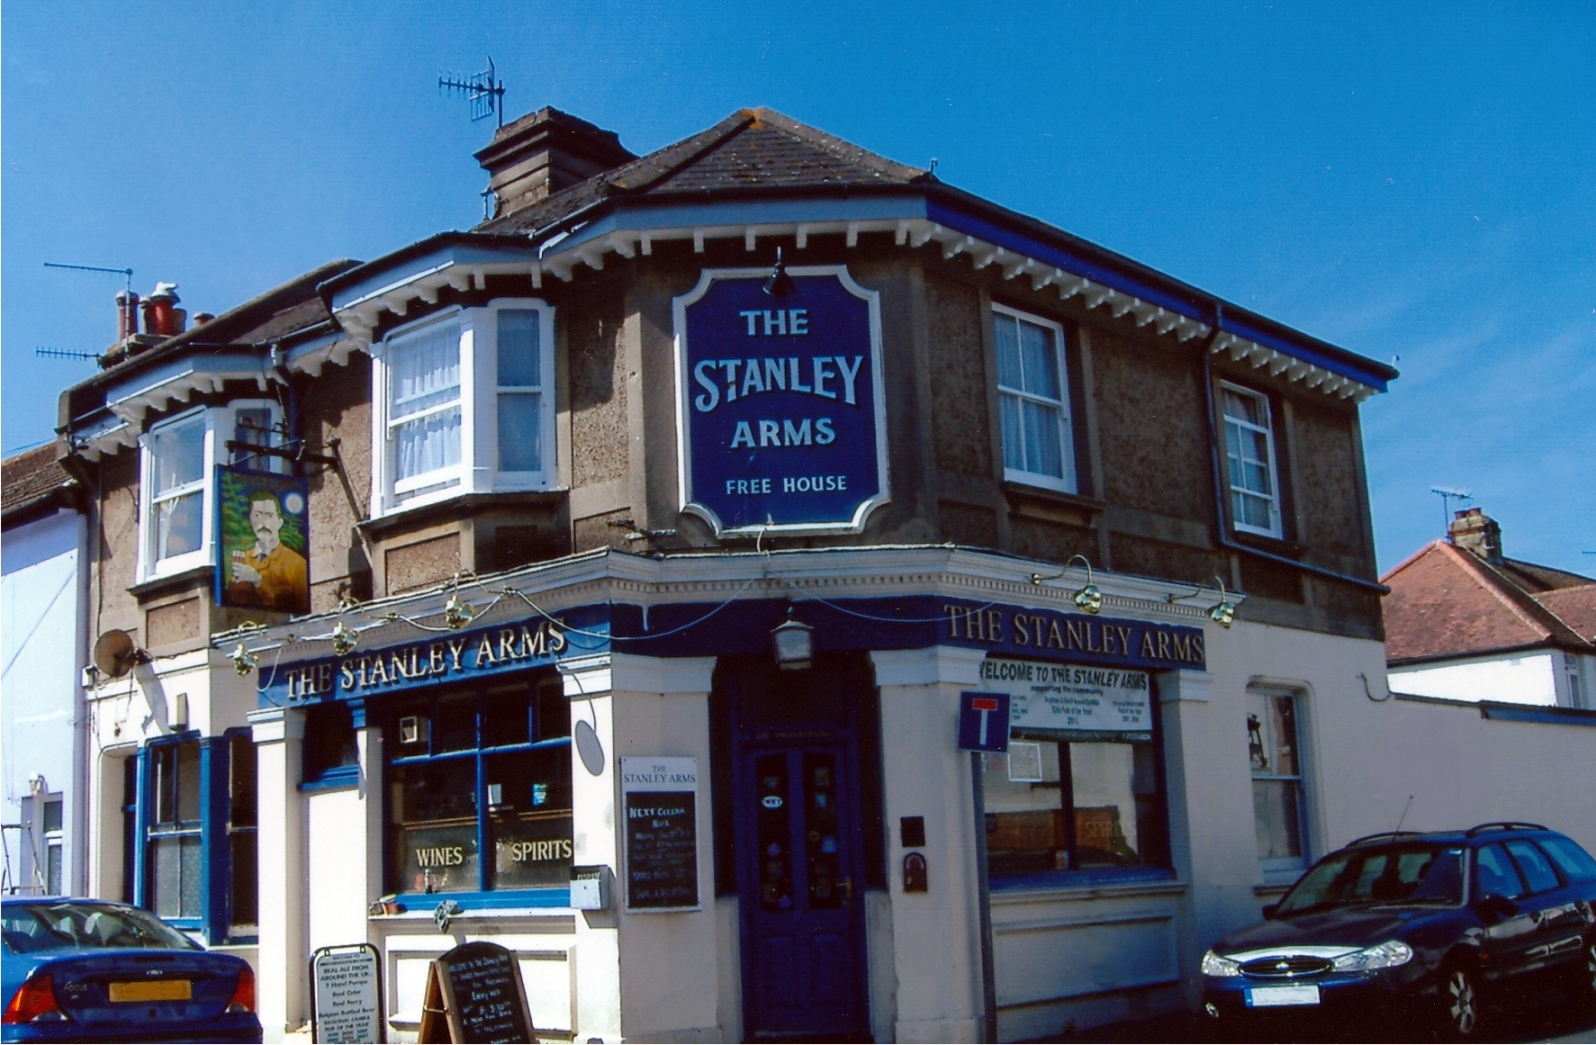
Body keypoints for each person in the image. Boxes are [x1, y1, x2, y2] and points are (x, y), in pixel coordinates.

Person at [229, 489, 308, 611]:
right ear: (250, 520)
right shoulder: (243, 559)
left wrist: (258, 580)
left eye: (269, 515)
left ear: (280, 522)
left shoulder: (297, 564)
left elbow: (303, 608)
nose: (263, 522)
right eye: (257, 515)